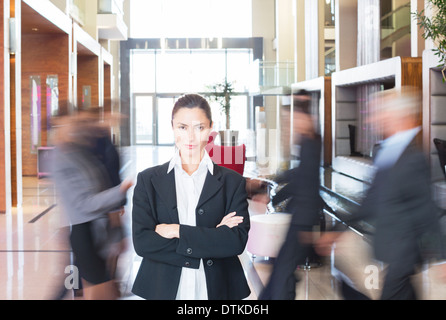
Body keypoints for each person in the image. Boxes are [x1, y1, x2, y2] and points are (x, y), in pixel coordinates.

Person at [316, 87, 446, 300]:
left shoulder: (413, 158)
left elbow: (426, 209)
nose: (376, 118)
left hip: (403, 254)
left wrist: (442, 257)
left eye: (381, 112)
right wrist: (338, 229)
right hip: (390, 249)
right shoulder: (385, 150)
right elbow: (370, 202)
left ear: (398, 116)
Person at [131, 94, 251, 300]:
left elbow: (235, 242)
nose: (190, 137)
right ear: (172, 127)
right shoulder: (148, 180)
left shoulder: (233, 182)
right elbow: (143, 243)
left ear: (211, 128)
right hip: (164, 289)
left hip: (217, 288)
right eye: (182, 127)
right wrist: (213, 236)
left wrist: (176, 230)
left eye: (199, 127)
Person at [52, 111, 133, 300]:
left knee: (98, 287)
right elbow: (84, 203)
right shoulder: (63, 157)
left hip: (95, 229)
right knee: (88, 287)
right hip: (84, 231)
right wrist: (120, 191)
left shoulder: (80, 150)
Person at [259, 90, 323, 300]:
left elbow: (303, 182)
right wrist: (275, 180)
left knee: (283, 270)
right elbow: (297, 174)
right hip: (299, 215)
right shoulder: (308, 143)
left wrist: (273, 197)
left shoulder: (311, 143)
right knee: (282, 269)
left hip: (303, 218)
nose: (289, 126)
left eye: (291, 121)